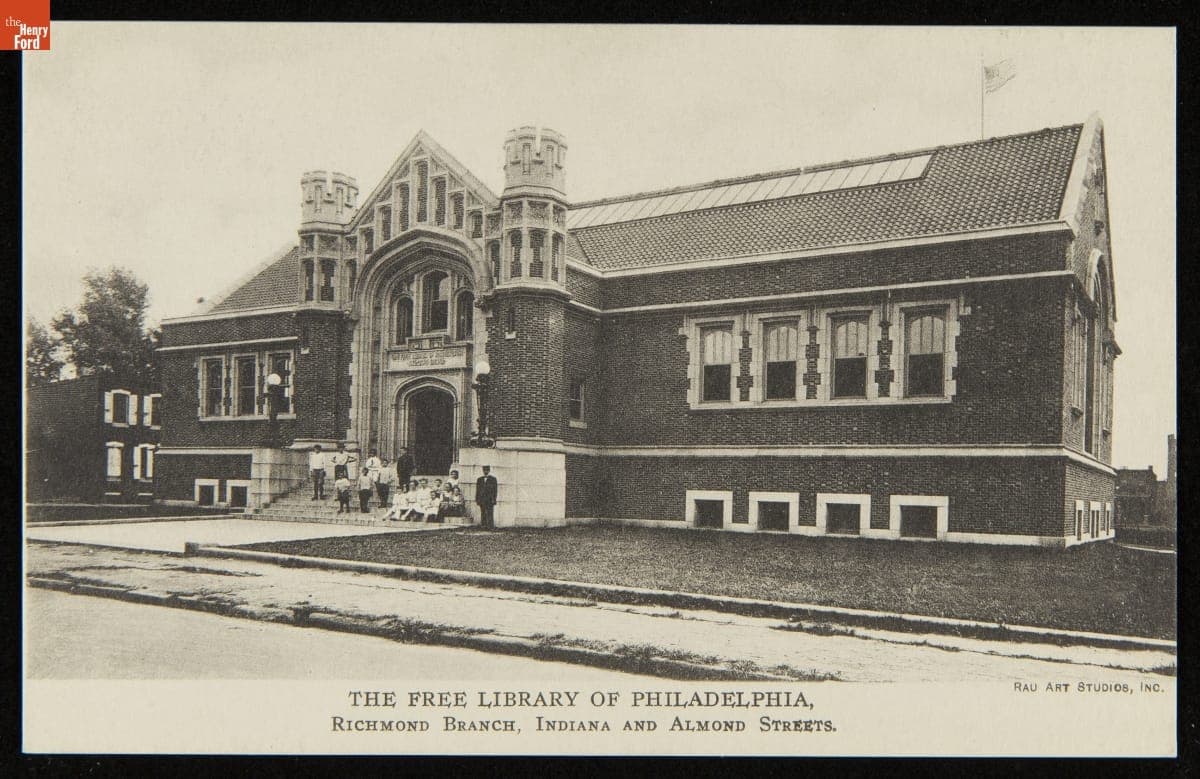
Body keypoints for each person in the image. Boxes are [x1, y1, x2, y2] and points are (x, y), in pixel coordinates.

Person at [475, 465, 498, 530]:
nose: (485, 472)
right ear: (483, 471)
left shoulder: (493, 479)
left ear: (489, 471)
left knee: (490, 513)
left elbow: (495, 490)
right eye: (484, 470)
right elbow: (477, 490)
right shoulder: (479, 479)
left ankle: (490, 526)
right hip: (482, 499)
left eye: (487, 470)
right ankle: (483, 526)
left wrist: (494, 499)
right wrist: (477, 499)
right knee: (483, 512)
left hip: (490, 499)